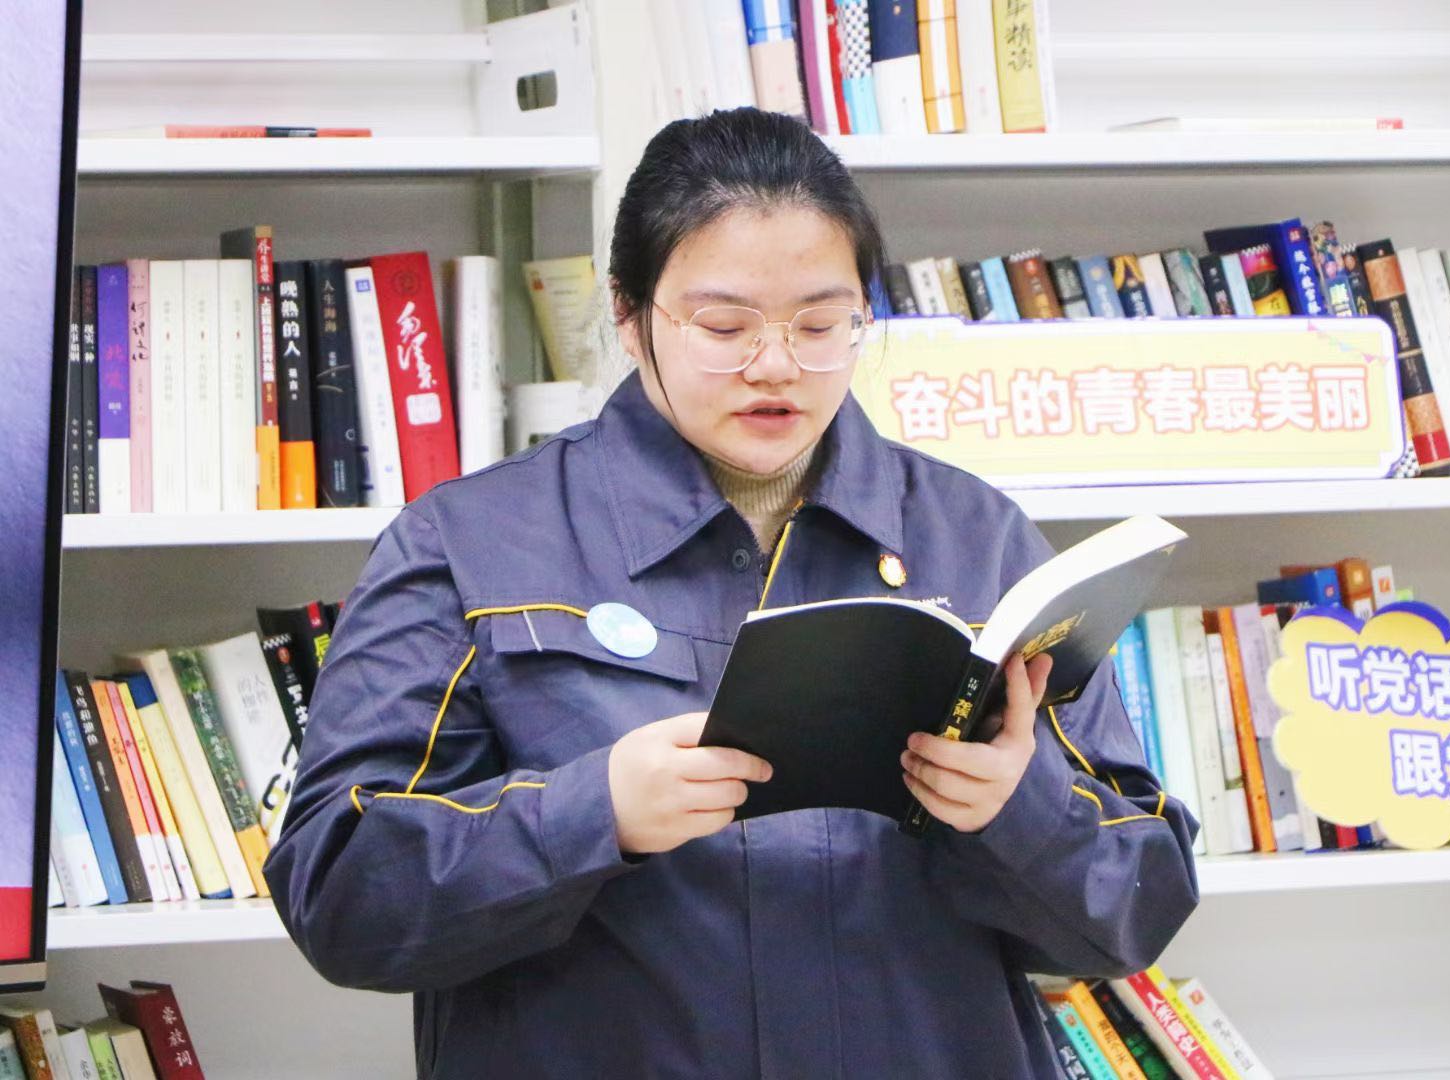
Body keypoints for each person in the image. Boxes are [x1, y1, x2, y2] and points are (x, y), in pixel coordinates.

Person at [265, 107, 1199, 1079]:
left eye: (822, 325)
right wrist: (592, 811)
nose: (777, 365)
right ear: (630, 316)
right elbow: (338, 897)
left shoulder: (976, 536)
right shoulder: (467, 543)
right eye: (723, 326)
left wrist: (1017, 811)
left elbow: (1136, 913)